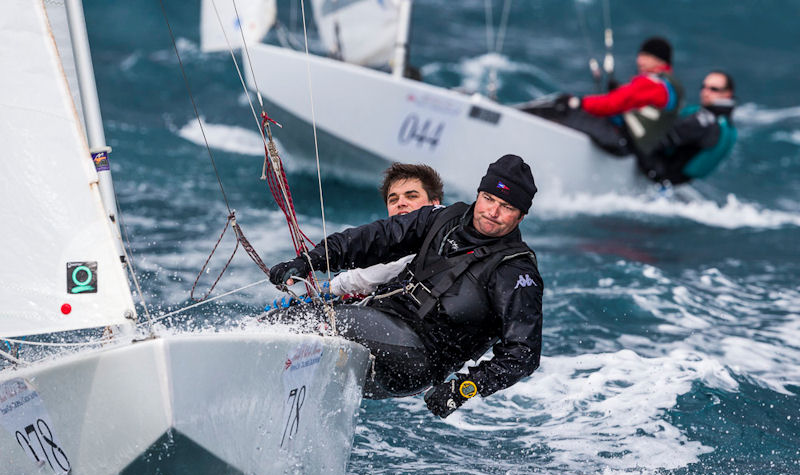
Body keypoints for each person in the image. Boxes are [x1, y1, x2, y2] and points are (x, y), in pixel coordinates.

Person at [268, 155, 543, 419]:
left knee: (322, 321)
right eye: (489, 199)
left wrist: (462, 389)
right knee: (282, 319)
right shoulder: (445, 219)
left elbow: (523, 354)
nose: (492, 212)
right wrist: (309, 261)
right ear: (479, 194)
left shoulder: (516, 271)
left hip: (417, 360)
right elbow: (375, 238)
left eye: (506, 207)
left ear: (521, 216)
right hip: (380, 324)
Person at [526, 36, 684, 158]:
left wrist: (578, 102)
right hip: (635, 147)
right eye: (641, 55)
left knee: (564, 111)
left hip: (622, 141)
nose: (640, 60)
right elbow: (635, 101)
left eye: (647, 56)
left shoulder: (652, 84)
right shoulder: (669, 86)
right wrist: (620, 90)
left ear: (660, 60)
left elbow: (613, 103)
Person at [328, 163, 443, 297]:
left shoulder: (442, 235)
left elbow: (386, 270)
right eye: (393, 200)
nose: (401, 203)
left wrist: (330, 287)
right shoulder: (384, 243)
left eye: (411, 196)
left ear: (435, 203)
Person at [640, 70, 737, 185]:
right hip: (677, 180)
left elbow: (663, 138)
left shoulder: (703, 121)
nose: (705, 92)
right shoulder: (725, 122)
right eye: (703, 87)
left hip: (659, 173)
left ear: (727, 94)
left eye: (713, 89)